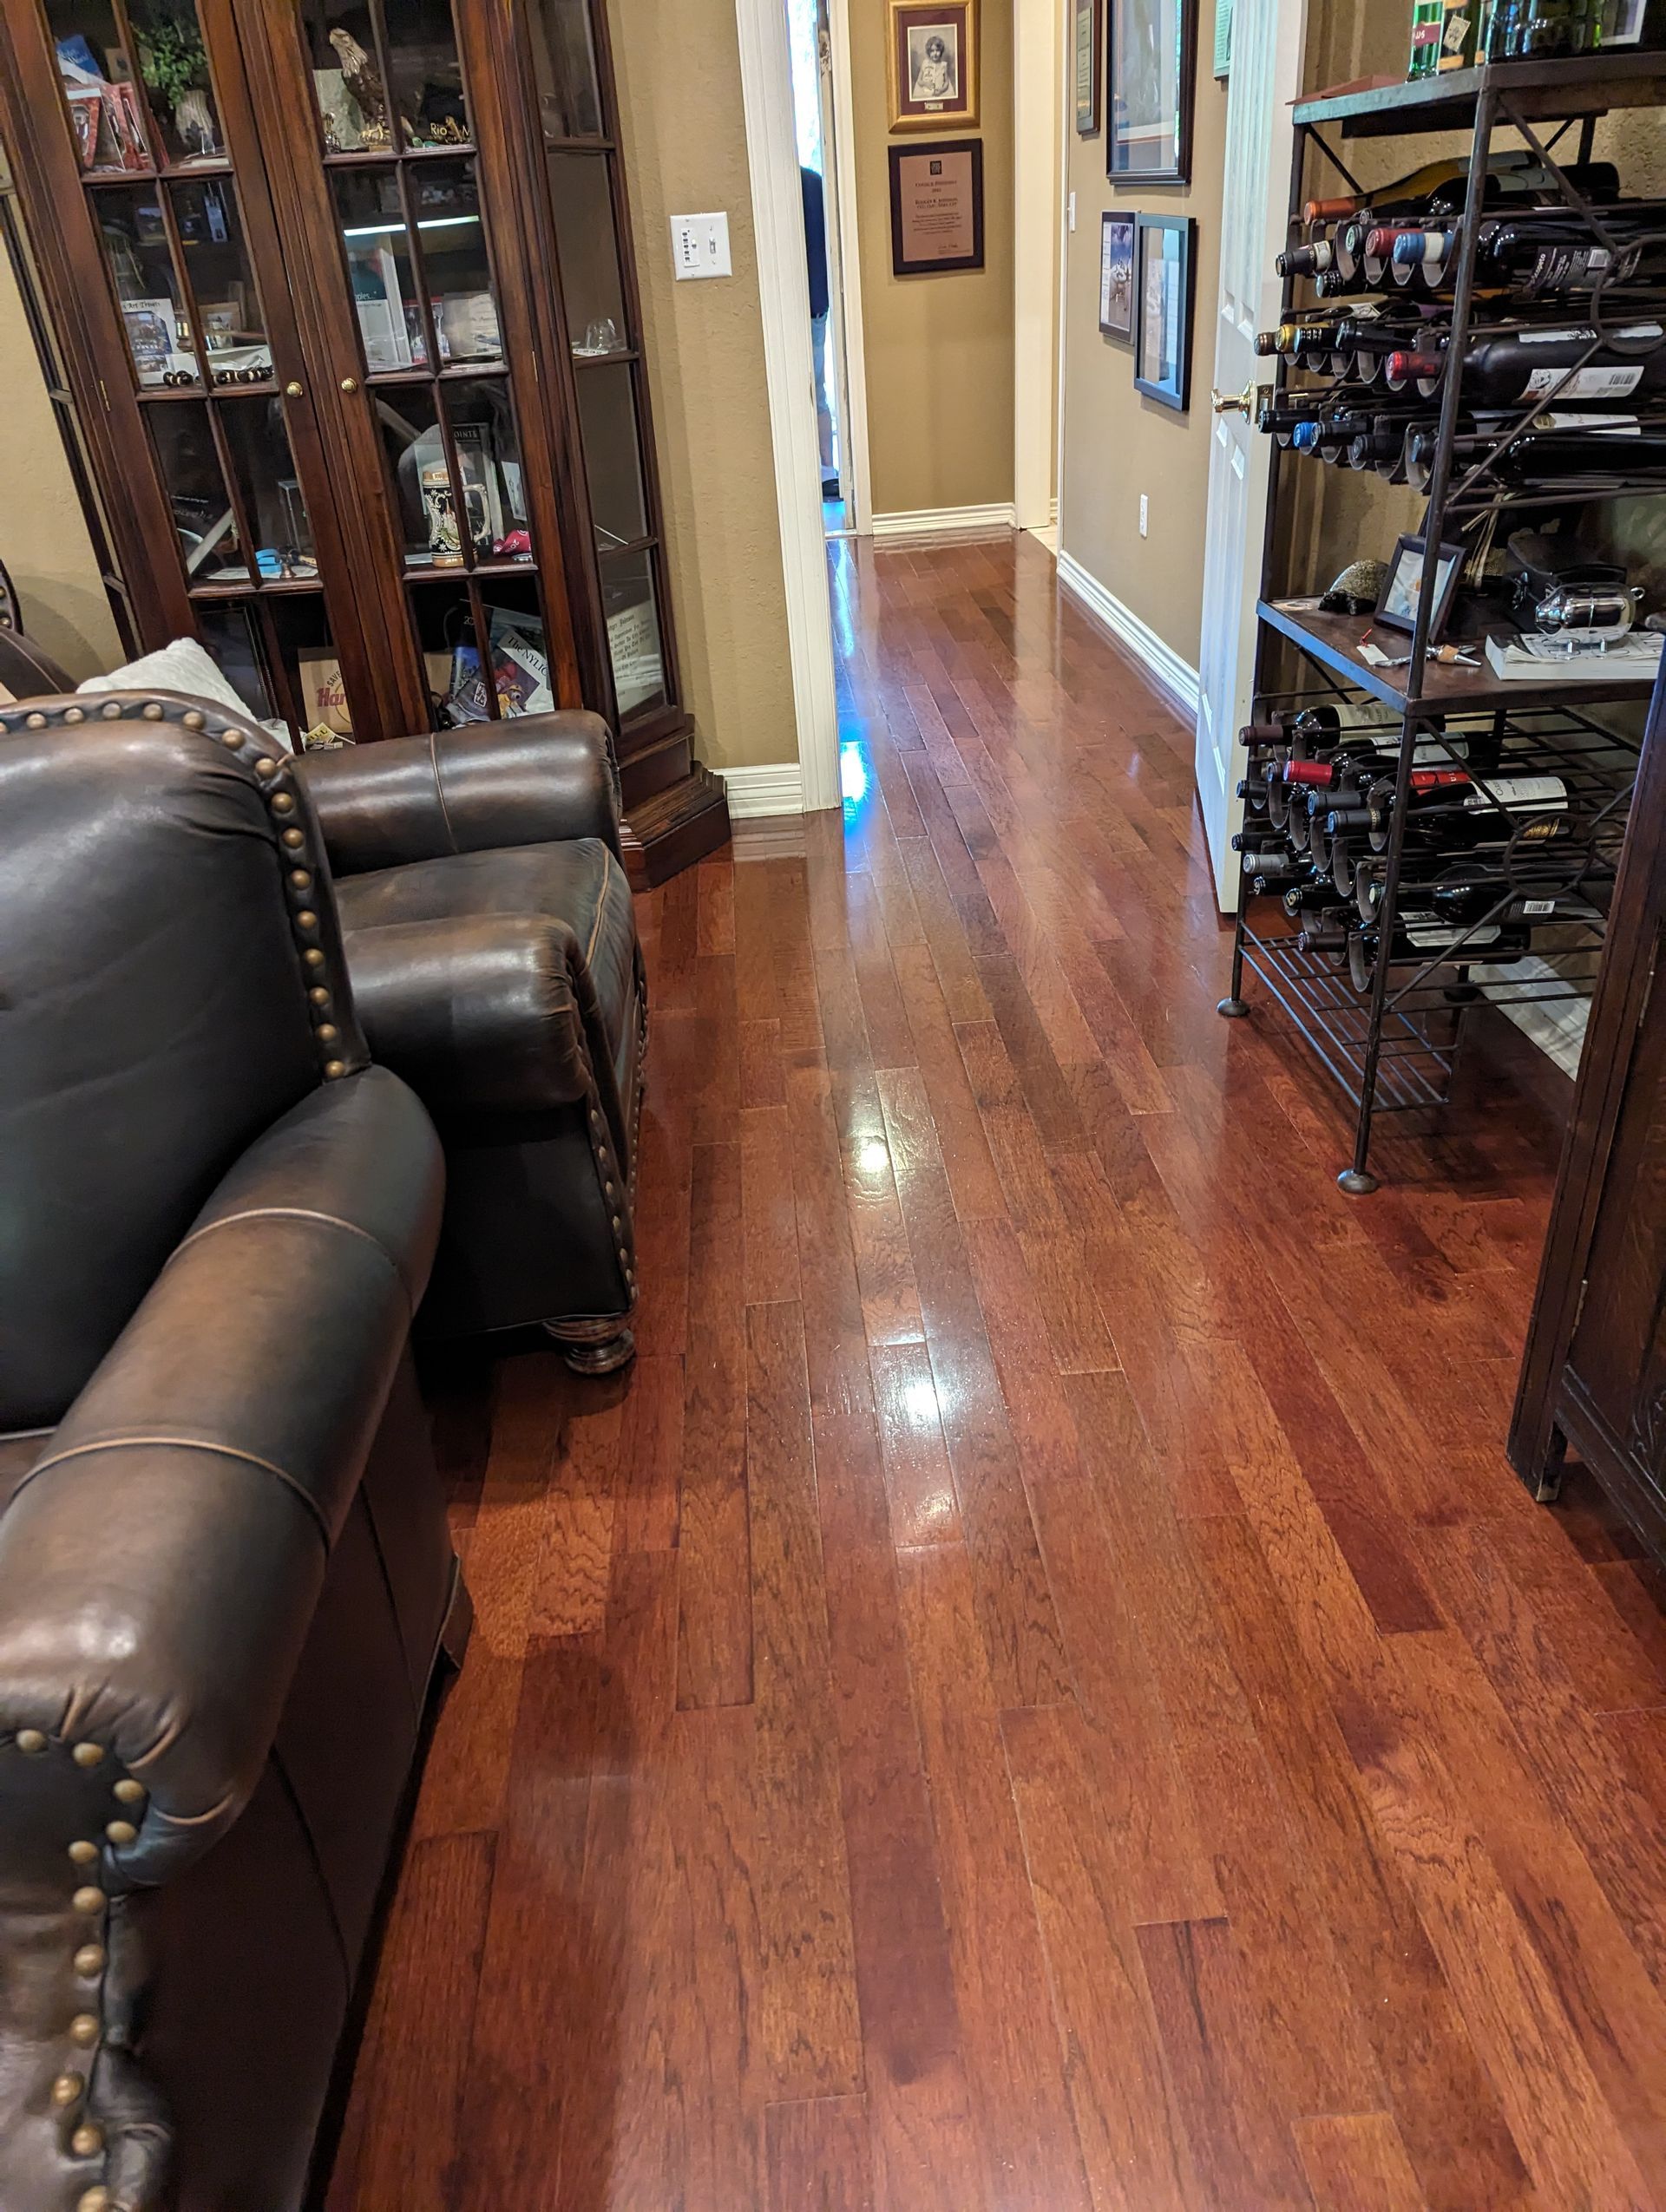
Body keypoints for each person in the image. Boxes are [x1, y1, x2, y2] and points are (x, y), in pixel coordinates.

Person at [800, 163, 836, 495]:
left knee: (801, 392)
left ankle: (816, 470)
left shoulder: (785, 185)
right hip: (816, 303)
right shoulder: (814, 182)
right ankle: (827, 469)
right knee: (817, 389)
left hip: (801, 305)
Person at [913, 33, 954, 100]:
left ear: (941, 51)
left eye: (937, 50)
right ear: (929, 52)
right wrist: (926, 84)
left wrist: (942, 90)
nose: (935, 53)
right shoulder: (925, 63)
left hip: (939, 94)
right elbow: (919, 80)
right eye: (932, 51)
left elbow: (947, 82)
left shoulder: (943, 65)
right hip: (926, 93)